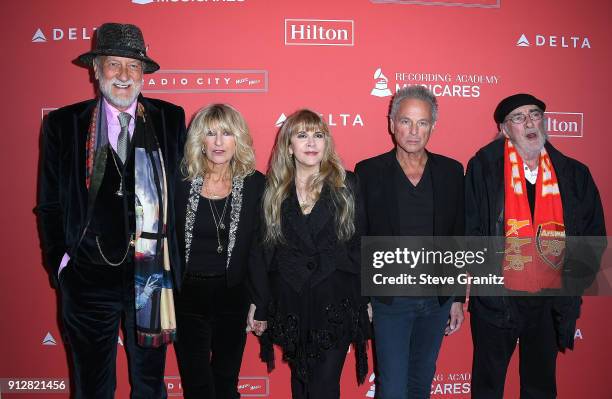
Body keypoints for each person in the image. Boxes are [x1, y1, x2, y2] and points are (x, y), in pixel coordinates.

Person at [36, 23, 186, 398]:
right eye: (114, 64)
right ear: (96, 69)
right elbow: (49, 203)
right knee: (92, 387)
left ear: (143, 74)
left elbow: (187, 191)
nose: (123, 75)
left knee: (150, 386)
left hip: (149, 277)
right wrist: (61, 263)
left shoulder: (170, 118)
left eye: (133, 67)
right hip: (86, 279)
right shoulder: (64, 124)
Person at [465, 93, 606, 398]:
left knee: (540, 386)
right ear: (504, 129)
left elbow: (594, 234)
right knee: (487, 386)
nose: (529, 122)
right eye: (518, 117)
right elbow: (470, 229)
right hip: (498, 298)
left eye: (535, 114)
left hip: (549, 299)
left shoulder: (573, 173)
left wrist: (572, 282)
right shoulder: (484, 169)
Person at [249, 109, 370, 399]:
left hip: (335, 302)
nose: (311, 143)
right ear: (289, 146)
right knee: (301, 383)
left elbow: (360, 244)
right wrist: (260, 305)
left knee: (323, 387)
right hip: (291, 301)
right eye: (302, 136)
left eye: (318, 135)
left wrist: (366, 301)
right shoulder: (273, 190)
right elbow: (264, 252)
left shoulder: (346, 184)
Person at [355, 85, 465, 399]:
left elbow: (458, 237)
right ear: (392, 124)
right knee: (391, 388)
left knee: (420, 385)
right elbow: (360, 238)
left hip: (437, 301)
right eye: (406, 121)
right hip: (390, 301)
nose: (413, 131)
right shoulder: (369, 172)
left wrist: (457, 297)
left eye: (422, 123)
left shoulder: (451, 171)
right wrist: (364, 298)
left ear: (433, 126)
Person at [173, 104, 265, 398]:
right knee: (197, 387)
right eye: (209, 133)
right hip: (186, 296)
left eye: (226, 133)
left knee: (226, 384)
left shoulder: (254, 184)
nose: (217, 141)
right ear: (198, 138)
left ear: (238, 139)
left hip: (232, 295)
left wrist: (260, 302)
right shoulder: (179, 180)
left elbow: (257, 249)